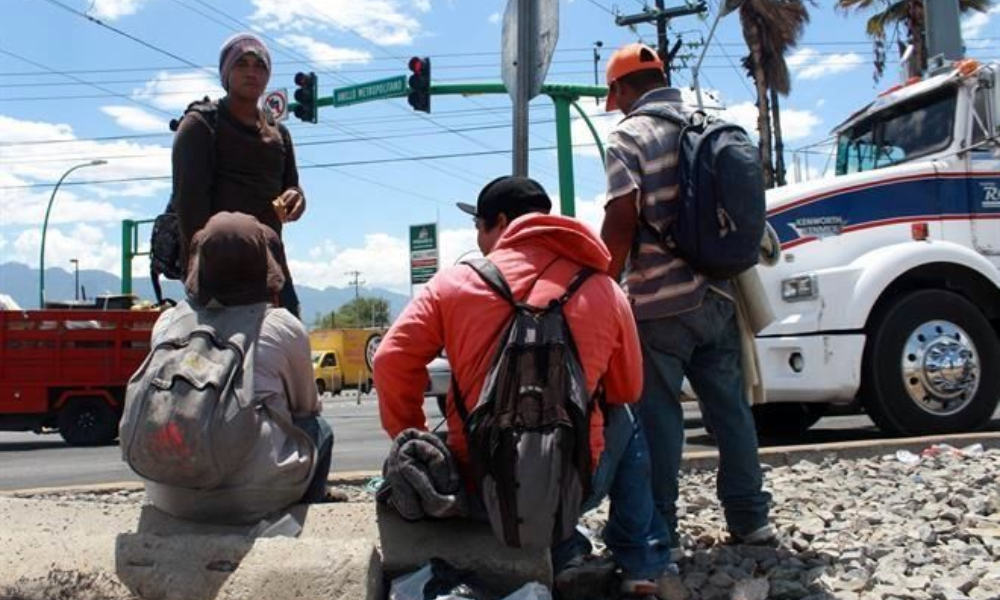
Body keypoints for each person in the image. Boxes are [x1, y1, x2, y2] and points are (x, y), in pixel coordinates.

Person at [374, 176, 672, 599]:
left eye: (479, 226)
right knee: (626, 416)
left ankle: (567, 550)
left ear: (498, 222)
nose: (477, 238)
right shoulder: (604, 288)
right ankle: (638, 564)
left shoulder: (453, 283)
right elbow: (628, 388)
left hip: (475, 491)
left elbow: (389, 360)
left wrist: (414, 438)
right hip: (575, 489)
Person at [599, 42, 774, 556]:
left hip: (658, 304)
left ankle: (661, 532)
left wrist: (605, 286)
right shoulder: (707, 120)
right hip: (720, 293)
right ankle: (751, 521)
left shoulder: (629, 135)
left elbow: (621, 220)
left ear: (621, 89)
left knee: (658, 421)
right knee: (731, 413)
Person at [137, 212, 332, 523]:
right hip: (248, 498)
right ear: (263, 262)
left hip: (166, 494)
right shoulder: (280, 325)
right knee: (319, 429)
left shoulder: (167, 323)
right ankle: (303, 512)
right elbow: (306, 407)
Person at [170, 32, 305, 317]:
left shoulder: (279, 133)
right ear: (226, 71)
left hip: (270, 269)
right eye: (242, 63)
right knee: (222, 359)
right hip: (218, 277)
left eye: (260, 66)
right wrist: (203, 282)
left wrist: (296, 199)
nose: (251, 72)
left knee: (289, 349)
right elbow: (189, 209)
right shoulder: (200, 125)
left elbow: (293, 188)